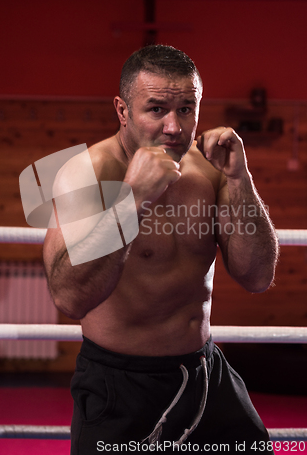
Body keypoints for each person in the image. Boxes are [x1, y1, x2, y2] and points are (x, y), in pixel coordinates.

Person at [43, 45, 279, 454]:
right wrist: (132, 200)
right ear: (122, 111)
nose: (174, 126)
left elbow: (257, 276)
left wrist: (241, 178)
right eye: (156, 109)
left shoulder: (210, 169)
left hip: (204, 371)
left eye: (187, 109)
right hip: (120, 383)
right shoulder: (87, 173)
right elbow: (70, 297)